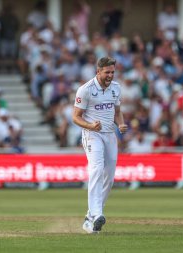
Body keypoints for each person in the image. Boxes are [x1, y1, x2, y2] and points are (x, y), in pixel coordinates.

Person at [72, 57, 127, 234]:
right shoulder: (85, 90)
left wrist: (121, 124)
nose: (110, 75)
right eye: (107, 72)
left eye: (112, 72)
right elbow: (76, 117)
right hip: (92, 134)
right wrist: (90, 126)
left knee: (109, 178)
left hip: (110, 134)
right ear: (98, 71)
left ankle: (91, 218)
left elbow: (117, 111)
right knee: (96, 169)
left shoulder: (116, 88)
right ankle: (97, 214)